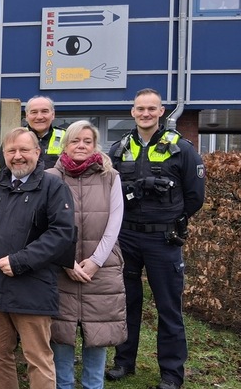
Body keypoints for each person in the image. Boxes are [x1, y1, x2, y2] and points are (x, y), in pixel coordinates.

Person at [0, 127, 76, 389]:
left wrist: (20, 261)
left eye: (24, 150)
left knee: (37, 358)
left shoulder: (53, 187)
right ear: (3, 155)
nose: (18, 156)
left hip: (33, 291)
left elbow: (62, 235)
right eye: (12, 151)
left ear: (37, 152)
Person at [106, 88, 205, 389]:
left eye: (151, 108)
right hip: (127, 238)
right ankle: (124, 362)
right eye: (140, 109)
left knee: (168, 307)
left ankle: (172, 373)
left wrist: (171, 219)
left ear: (161, 111)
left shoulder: (181, 148)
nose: (145, 113)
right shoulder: (119, 148)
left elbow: (195, 196)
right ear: (132, 113)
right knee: (127, 303)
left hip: (163, 240)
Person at [46, 121, 127, 389]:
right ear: (65, 145)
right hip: (60, 269)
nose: (81, 145)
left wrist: (96, 261)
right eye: (75, 140)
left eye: (87, 141)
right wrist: (65, 260)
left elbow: (114, 223)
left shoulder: (110, 176)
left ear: (95, 145)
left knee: (98, 333)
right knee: (61, 334)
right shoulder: (50, 178)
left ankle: (94, 385)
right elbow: (44, 225)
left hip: (102, 269)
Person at [0, 96, 66, 169]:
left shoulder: (66, 137)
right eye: (34, 112)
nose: (39, 117)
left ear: (53, 115)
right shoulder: (12, 138)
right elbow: (1, 172)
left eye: (44, 111)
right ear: (26, 116)